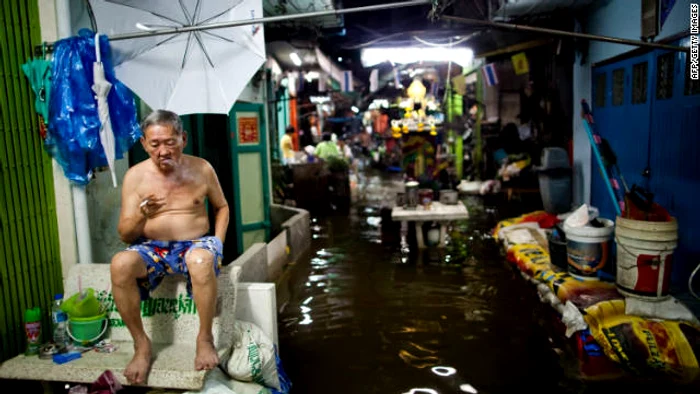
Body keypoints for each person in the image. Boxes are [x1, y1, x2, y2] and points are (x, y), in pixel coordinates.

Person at [111, 110, 229, 384]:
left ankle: (204, 337)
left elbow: (222, 207)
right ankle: (141, 344)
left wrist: (218, 244)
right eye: (154, 144)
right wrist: (142, 214)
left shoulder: (202, 168)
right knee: (120, 264)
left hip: (197, 243)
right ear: (143, 144)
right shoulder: (135, 176)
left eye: (170, 142)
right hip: (152, 246)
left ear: (183, 138)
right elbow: (125, 236)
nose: (163, 150)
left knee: (200, 260)